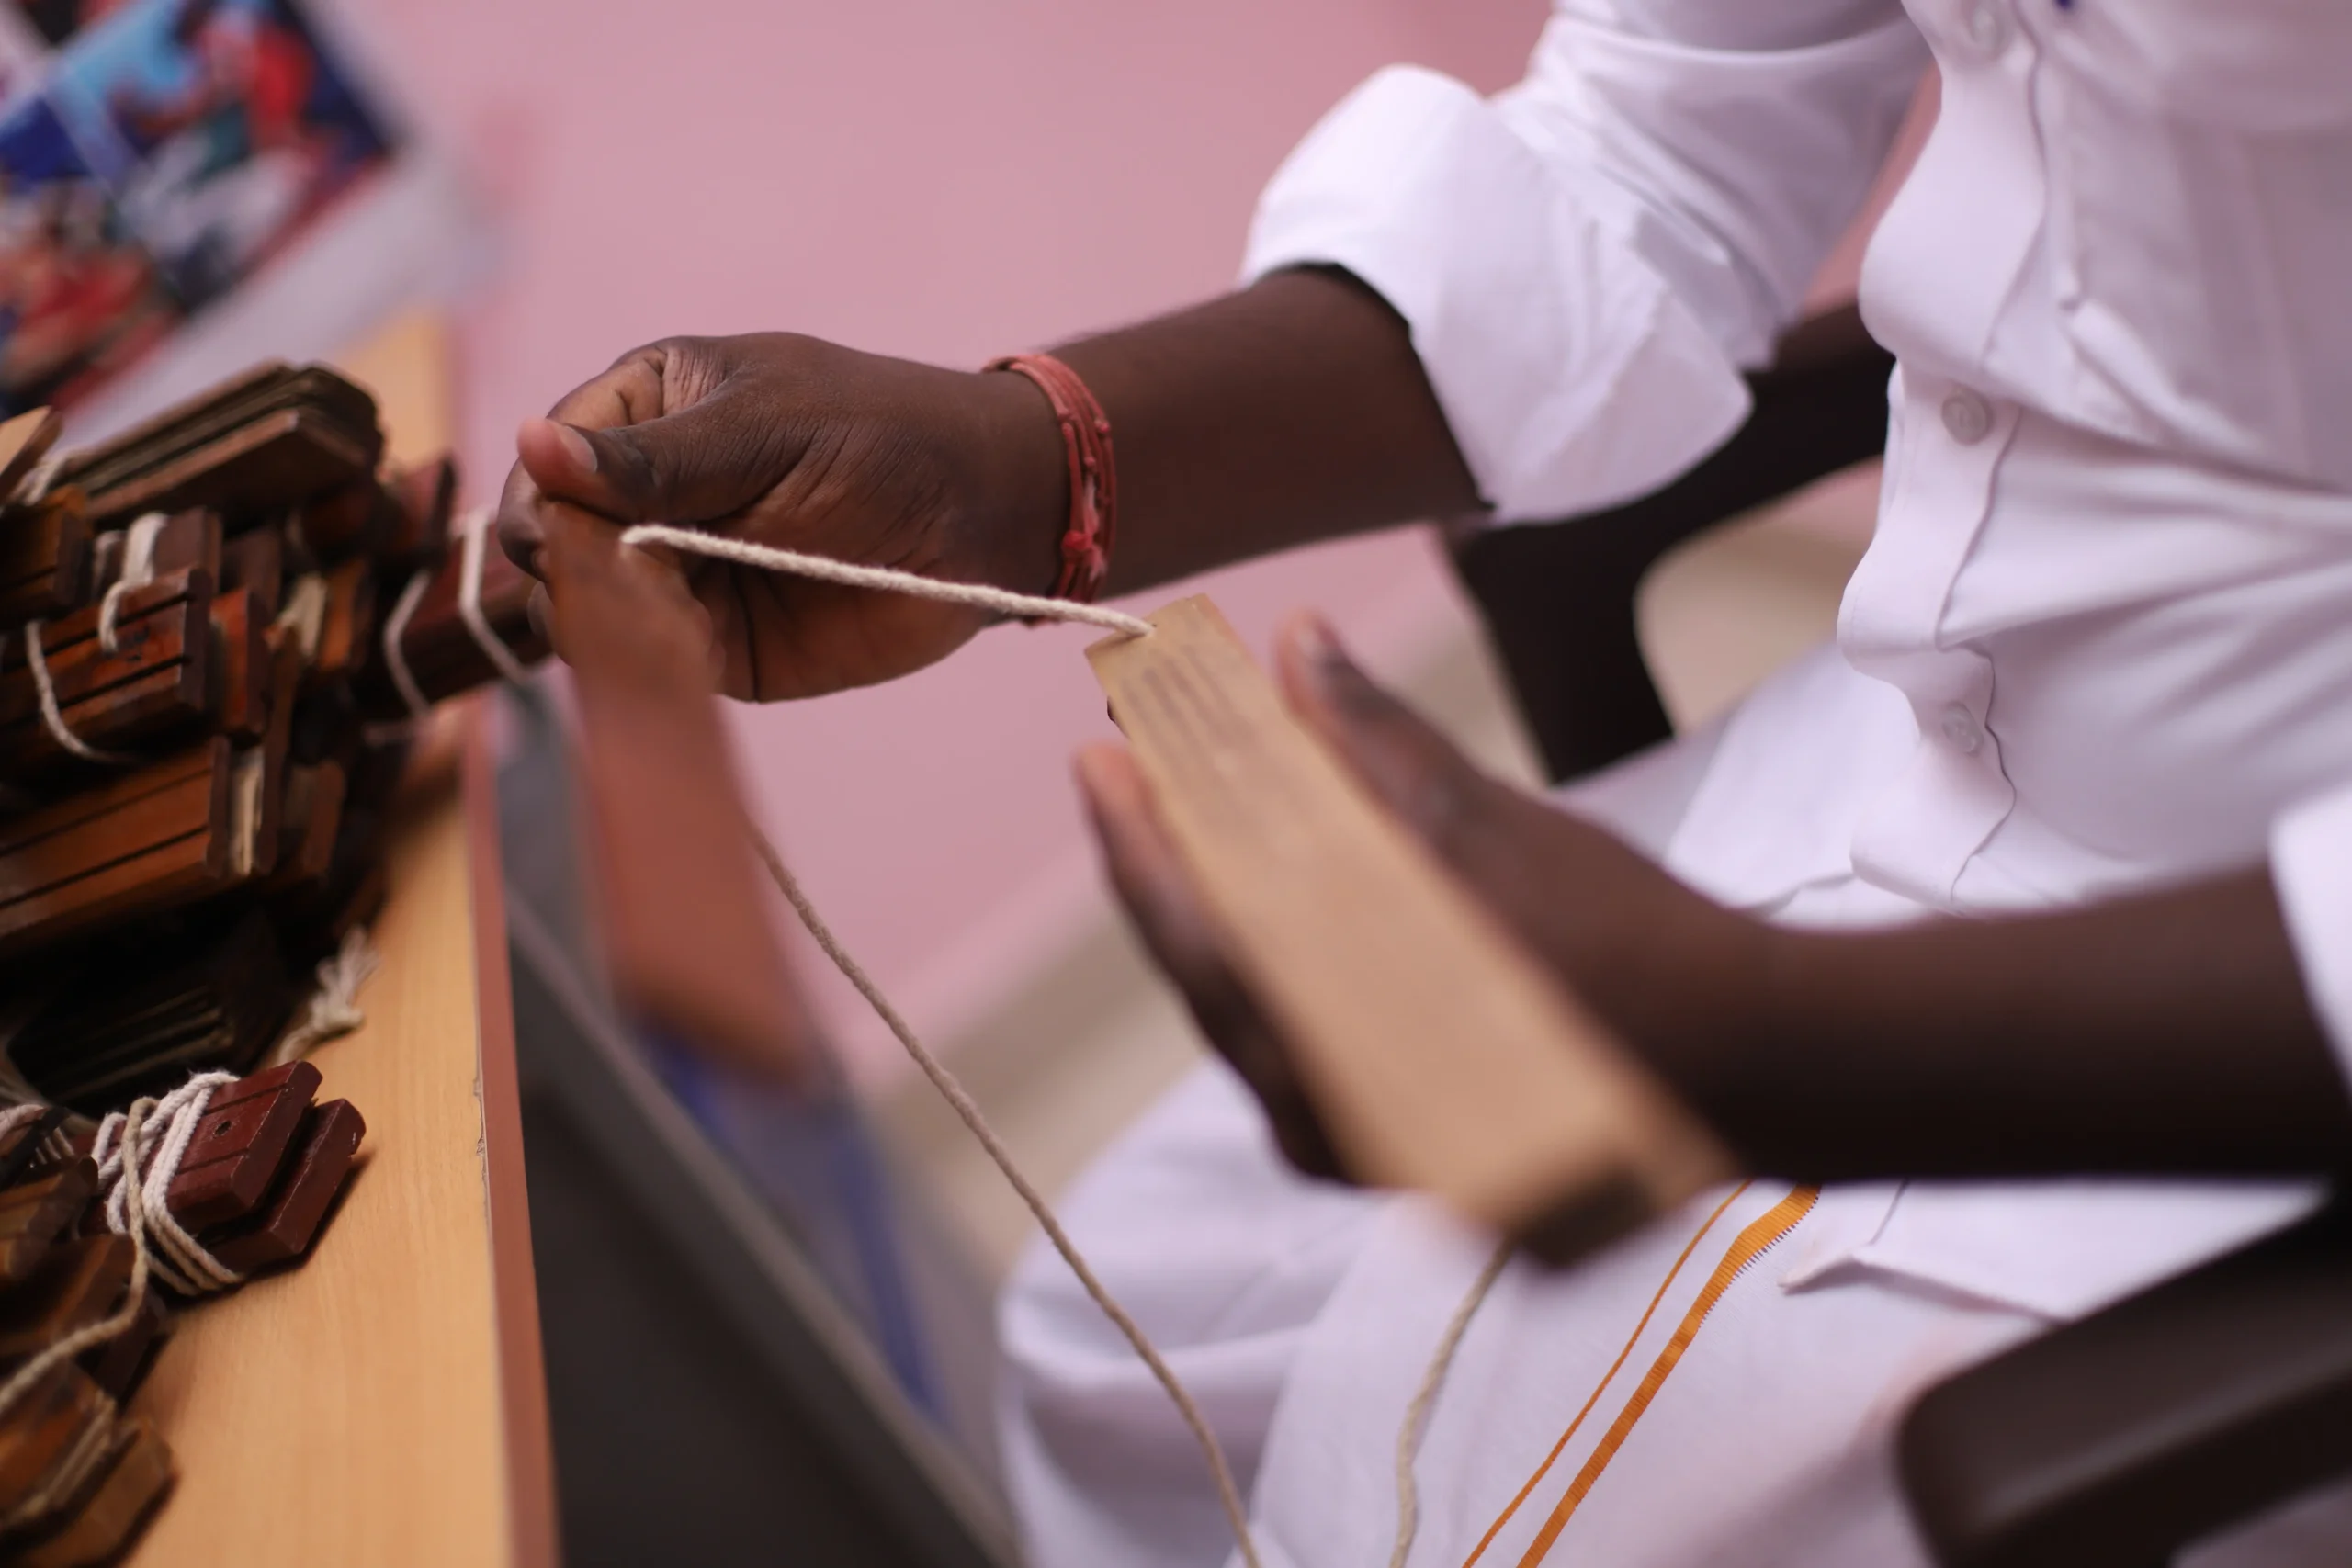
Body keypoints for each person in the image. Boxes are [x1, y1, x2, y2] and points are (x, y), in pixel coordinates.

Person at [499, 4, 2352, 1563]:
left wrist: (1768, 1038)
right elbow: (1655, 151)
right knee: (1111, 1322)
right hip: (1908, 749)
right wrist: (1022, 460)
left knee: (1372, 1513)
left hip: (2243, 976)